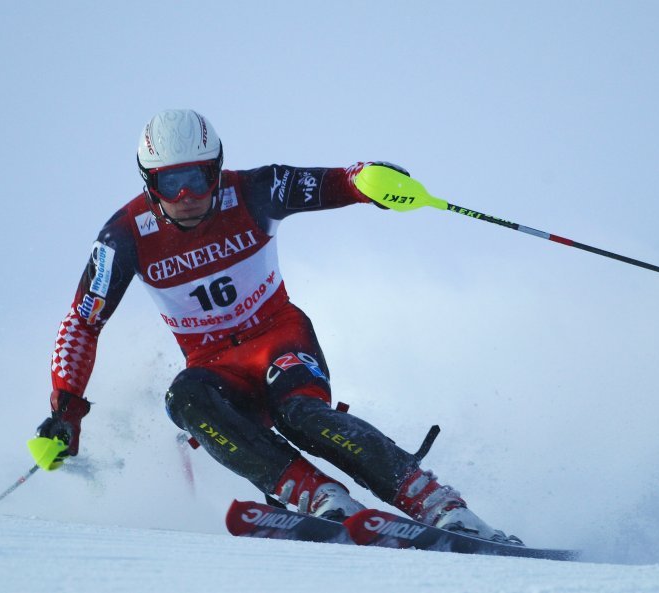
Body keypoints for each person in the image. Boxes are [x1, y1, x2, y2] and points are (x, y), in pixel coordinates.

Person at [36, 109, 516, 542]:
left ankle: (440, 506)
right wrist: (66, 411)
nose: (186, 197)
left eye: (199, 180)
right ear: (148, 184)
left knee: (300, 415)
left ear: (217, 170)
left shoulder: (253, 190)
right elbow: (82, 323)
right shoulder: (123, 237)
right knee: (183, 399)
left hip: (279, 339)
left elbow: (334, 182)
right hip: (216, 369)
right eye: (169, 184)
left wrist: (371, 182)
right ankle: (322, 499)